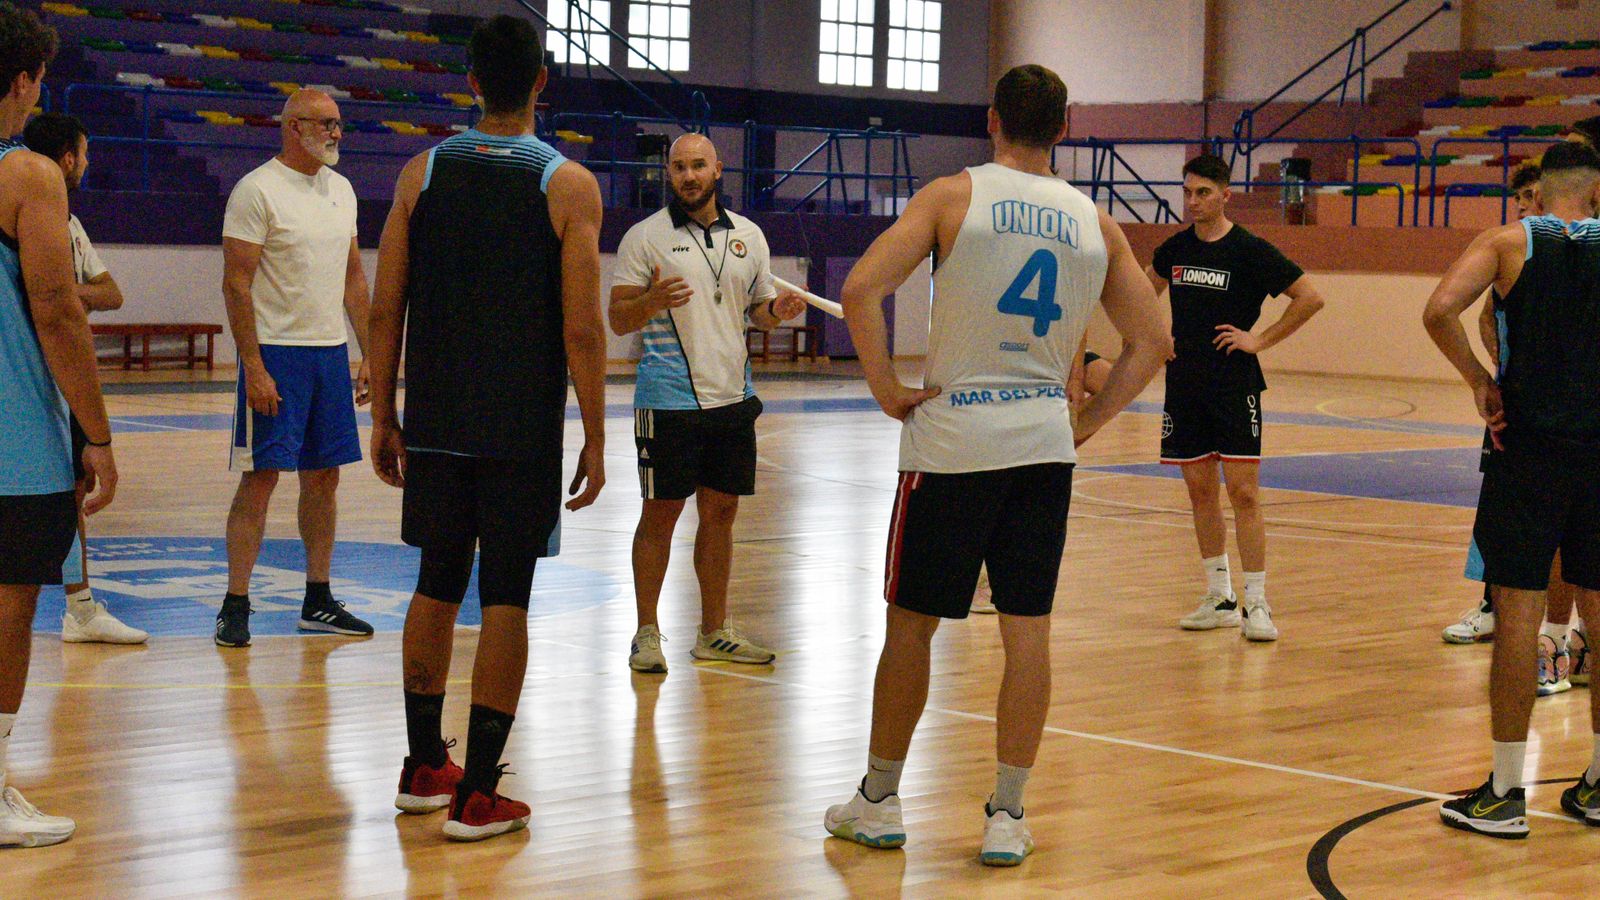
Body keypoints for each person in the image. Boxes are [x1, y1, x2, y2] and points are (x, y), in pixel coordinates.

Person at [822, 64, 1167, 865]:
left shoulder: (952, 197)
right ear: (1066, 128)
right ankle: (1007, 814)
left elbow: (863, 288)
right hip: (1042, 447)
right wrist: (1086, 423)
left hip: (952, 446)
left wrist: (885, 388)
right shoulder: (1095, 221)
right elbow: (1153, 341)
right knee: (1027, 633)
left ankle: (878, 800)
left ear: (991, 120)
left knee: (912, 627)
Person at [367, 14, 607, 842]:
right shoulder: (567, 185)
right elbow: (583, 329)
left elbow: (384, 305)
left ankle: (422, 766)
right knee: (507, 596)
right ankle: (477, 794)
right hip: (519, 428)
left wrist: (385, 413)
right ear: (541, 81)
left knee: (436, 580)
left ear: (469, 81)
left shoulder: (421, 172)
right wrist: (597, 434)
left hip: (435, 418)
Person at [1424, 141, 1600, 837]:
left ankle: (1503, 791)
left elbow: (1439, 309)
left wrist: (1478, 378)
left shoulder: (1506, 243)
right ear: (1594, 192)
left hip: (1527, 448)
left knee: (1519, 610)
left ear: (1541, 191)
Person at [609, 133, 807, 673]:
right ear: (669, 173)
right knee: (660, 517)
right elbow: (618, 319)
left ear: (718, 169)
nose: (688, 175)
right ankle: (646, 633)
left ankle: (713, 632)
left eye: (698, 165)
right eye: (679, 167)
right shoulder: (644, 238)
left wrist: (776, 313)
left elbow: (757, 311)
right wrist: (651, 300)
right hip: (668, 403)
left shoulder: (749, 236)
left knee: (720, 516)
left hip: (733, 401)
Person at [0, 1, 119, 848]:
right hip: (13, 438)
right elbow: (56, 307)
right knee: (10, 607)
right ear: (21, 81)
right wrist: (98, 434)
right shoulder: (29, 175)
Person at [217, 88, 374, 647]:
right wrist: (254, 366)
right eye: (326, 124)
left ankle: (318, 599)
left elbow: (353, 278)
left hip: (329, 353)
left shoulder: (342, 190)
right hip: (276, 353)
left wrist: (371, 353)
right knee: (261, 478)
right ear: (293, 127)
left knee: (325, 478)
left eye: (338, 124)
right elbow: (236, 285)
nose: (336, 133)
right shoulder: (256, 190)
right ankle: (235, 603)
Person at [1148, 154, 1326, 641]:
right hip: (1184, 385)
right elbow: (1140, 296)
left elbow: (1310, 297)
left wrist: (1260, 340)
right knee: (1200, 491)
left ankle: (1258, 603)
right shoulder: (1175, 249)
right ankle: (1220, 596)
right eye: (1187, 192)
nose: (1193, 201)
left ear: (1226, 195)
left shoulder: (1250, 250)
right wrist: (1153, 338)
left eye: (1203, 192)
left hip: (1234, 384)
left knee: (1244, 493)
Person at [21, 112, 145, 645]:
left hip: (62, 380)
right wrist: (62, 294)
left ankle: (81, 608)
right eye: (85, 154)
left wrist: (64, 290)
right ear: (68, 158)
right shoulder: (24, 212)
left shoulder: (68, 224)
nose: (88, 164)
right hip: (25, 378)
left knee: (73, 489)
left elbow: (110, 293)